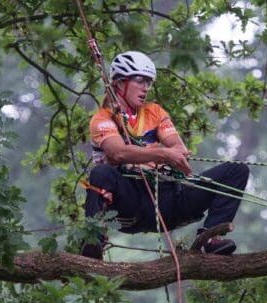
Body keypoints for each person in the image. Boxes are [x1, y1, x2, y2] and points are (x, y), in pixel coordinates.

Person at [81, 50, 249, 259]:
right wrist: (160, 153)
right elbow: (118, 152)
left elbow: (178, 149)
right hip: (131, 202)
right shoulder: (102, 119)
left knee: (236, 171)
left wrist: (164, 155)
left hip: (168, 199)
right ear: (120, 83)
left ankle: (211, 237)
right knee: (101, 173)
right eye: (140, 80)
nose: (146, 88)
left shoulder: (155, 112)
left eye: (149, 82)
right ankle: (93, 240)